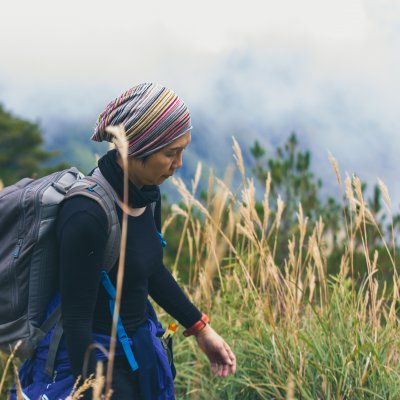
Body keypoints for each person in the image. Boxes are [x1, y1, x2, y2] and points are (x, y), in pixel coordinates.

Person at [14, 83, 236, 400]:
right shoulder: (86, 215)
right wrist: (92, 389)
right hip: (92, 358)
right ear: (134, 150)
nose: (180, 164)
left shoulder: (148, 195)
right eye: (170, 154)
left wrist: (200, 328)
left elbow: (150, 270)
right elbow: (77, 322)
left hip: (139, 347)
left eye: (183, 150)